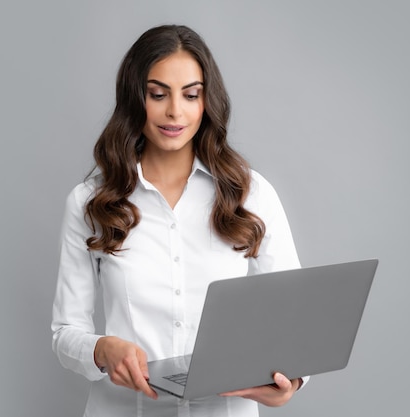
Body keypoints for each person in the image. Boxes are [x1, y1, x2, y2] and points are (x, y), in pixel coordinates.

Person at [51, 24, 308, 416]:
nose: (175, 111)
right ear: (135, 99)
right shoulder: (90, 203)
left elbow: (299, 321)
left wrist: (294, 380)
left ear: (207, 102)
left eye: (191, 95)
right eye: (158, 94)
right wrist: (102, 349)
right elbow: (65, 332)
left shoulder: (251, 194)